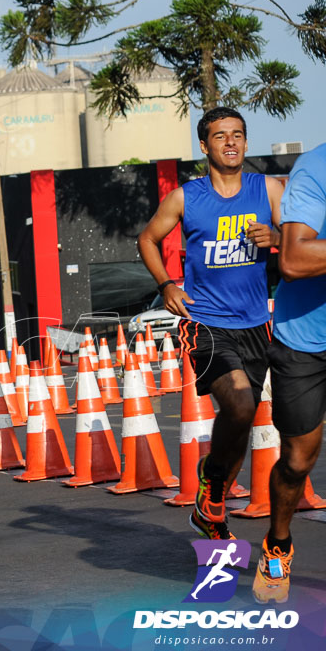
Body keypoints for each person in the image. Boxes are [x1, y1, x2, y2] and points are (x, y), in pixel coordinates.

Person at [138, 106, 283, 540]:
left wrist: (277, 239)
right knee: (238, 403)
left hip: (257, 324)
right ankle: (213, 482)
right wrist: (166, 284)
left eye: (238, 134)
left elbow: (304, 236)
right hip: (204, 322)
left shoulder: (269, 189)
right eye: (221, 136)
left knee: (241, 422)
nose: (231, 142)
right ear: (205, 146)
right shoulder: (187, 197)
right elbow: (147, 238)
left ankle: (211, 502)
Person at [252, 143, 326, 604]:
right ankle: (278, 543)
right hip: (306, 339)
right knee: (299, 459)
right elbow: (295, 260)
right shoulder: (316, 168)